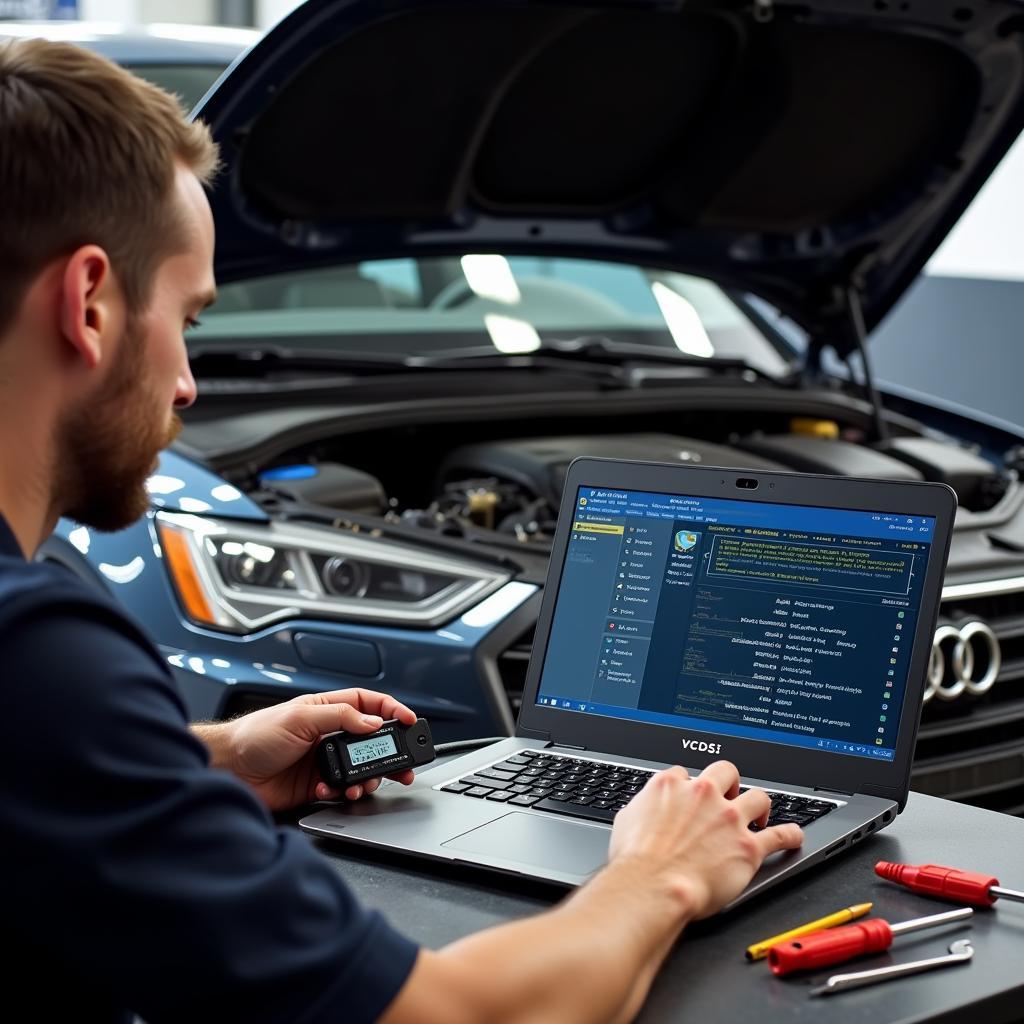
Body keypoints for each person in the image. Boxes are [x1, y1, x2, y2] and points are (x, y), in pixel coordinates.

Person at [0, 37, 803, 1024]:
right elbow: (453, 1016)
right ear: (89, 302)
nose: (186, 384)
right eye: (191, 320)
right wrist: (661, 872)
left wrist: (210, 760)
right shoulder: (36, 652)